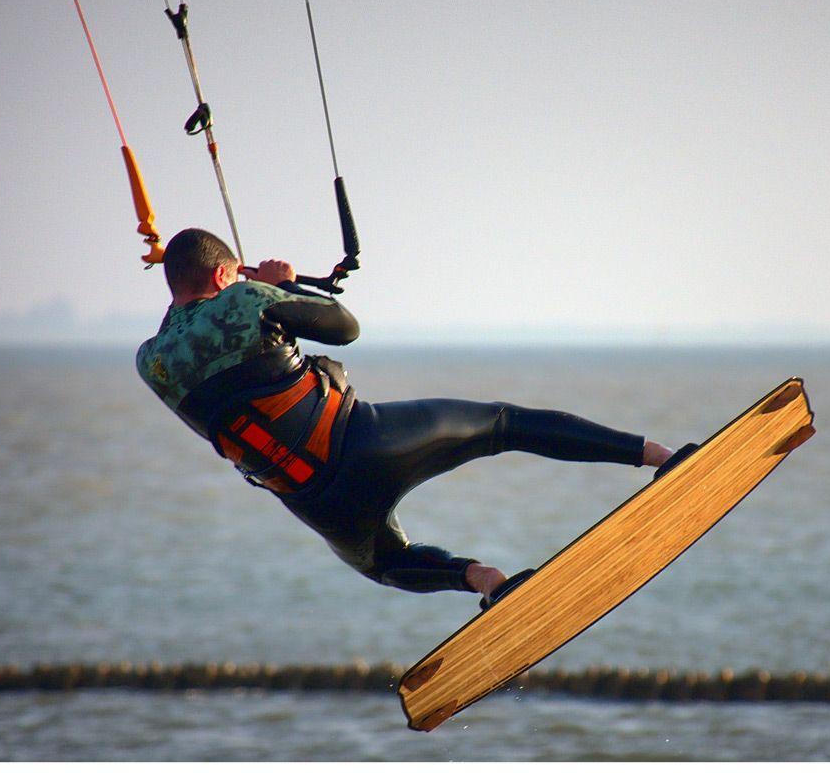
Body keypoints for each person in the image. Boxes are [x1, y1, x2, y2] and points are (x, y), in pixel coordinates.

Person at [137, 228, 693, 606]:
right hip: (365, 443)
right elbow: (344, 327)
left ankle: (486, 581)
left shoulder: (151, 361)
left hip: (319, 502)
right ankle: (659, 457)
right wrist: (279, 285)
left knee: (388, 565)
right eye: (231, 277)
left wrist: (220, 278)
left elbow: (185, 316)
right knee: (504, 424)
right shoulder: (242, 299)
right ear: (221, 277)